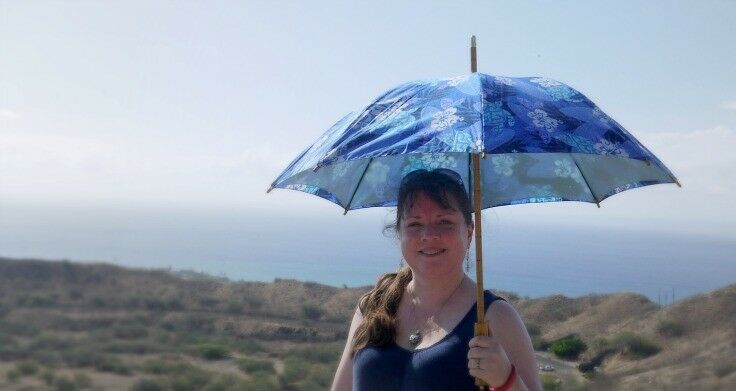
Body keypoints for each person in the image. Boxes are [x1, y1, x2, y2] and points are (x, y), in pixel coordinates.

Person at [331, 169, 542, 391]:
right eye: (414, 224)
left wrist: (506, 381)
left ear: (469, 232)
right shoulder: (371, 307)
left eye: (444, 222)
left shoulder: (496, 317)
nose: (429, 234)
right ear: (399, 233)